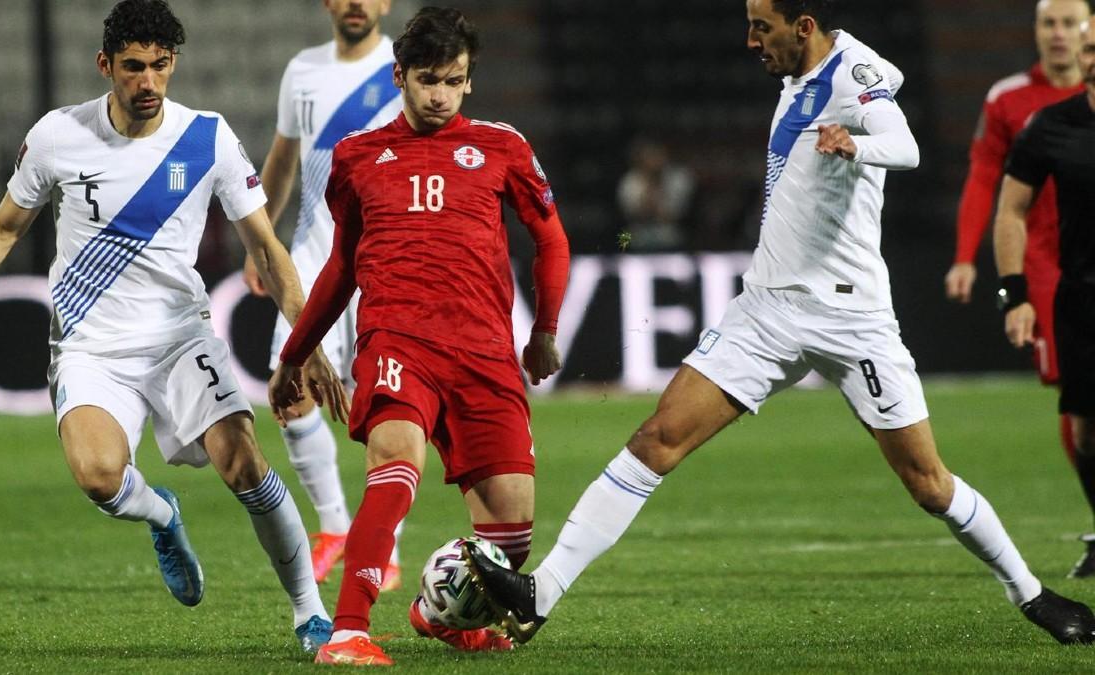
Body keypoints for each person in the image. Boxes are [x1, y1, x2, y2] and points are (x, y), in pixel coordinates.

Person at [463, 0, 1095, 648]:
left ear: (803, 26)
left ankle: (1032, 592)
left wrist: (857, 143)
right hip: (767, 309)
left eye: (761, 27)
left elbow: (903, 145)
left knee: (928, 482)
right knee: (658, 436)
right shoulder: (796, 77)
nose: (749, 40)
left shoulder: (856, 74)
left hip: (852, 317)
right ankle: (540, 592)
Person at [0, 0, 347, 655]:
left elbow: (269, 251)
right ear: (105, 65)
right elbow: (3, 228)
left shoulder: (207, 138)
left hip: (179, 338)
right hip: (90, 345)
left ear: (174, 65)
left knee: (246, 464)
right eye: (133, 67)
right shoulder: (58, 136)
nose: (148, 82)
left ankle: (310, 612)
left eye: (161, 66)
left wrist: (306, 342)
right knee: (99, 475)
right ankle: (162, 514)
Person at [268, 6, 570, 665]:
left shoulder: (503, 147)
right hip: (398, 340)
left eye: (453, 81)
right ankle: (347, 630)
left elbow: (550, 238)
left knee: (510, 539)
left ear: (469, 82)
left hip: (484, 350)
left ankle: (439, 615)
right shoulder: (357, 158)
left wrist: (544, 331)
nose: (439, 94)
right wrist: (296, 354)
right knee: (395, 468)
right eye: (427, 79)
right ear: (399, 76)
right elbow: (343, 266)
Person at [243, 0, 406, 593]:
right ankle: (335, 527)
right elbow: (281, 162)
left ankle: (383, 545)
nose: (357, 3)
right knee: (288, 391)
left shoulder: (405, 65)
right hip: (314, 253)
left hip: (390, 254)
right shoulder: (302, 70)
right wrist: (259, 241)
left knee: (388, 399)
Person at [945, 0, 1089, 467]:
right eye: (1049, 23)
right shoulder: (1010, 99)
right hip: (1047, 263)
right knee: (1078, 390)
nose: (1059, 34)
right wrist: (965, 256)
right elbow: (985, 177)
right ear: (1036, 30)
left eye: (1070, 23)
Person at [994, 19, 1095, 581]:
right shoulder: (1050, 127)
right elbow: (1010, 210)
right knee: (1085, 430)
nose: (1091, 57)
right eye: (1088, 50)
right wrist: (1015, 293)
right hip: (1081, 298)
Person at [616, 136, 696, 252]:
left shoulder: (680, 177)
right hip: (636, 235)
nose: (654, 161)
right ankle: (625, 257)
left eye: (657, 155)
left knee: (673, 235)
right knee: (624, 237)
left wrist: (659, 187)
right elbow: (633, 214)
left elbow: (674, 214)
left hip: (671, 236)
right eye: (649, 157)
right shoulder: (629, 181)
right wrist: (649, 183)